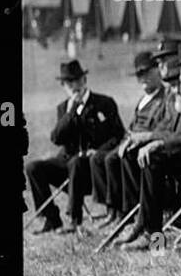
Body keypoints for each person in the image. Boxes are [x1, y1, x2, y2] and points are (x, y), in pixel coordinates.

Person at [121, 39, 181, 250]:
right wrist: (155, 141)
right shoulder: (179, 94)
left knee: (156, 159)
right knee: (148, 159)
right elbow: (171, 131)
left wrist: (158, 143)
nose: (178, 79)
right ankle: (151, 233)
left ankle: (150, 228)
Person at [24, 59, 125, 233]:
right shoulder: (64, 108)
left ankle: (74, 218)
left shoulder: (104, 103)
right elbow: (56, 138)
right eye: (68, 83)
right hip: (67, 165)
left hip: (92, 167)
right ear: (63, 86)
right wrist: (71, 113)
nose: (74, 86)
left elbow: (118, 135)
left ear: (84, 80)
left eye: (77, 80)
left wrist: (98, 151)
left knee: (76, 163)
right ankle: (51, 218)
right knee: (33, 167)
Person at [91, 51, 178, 229]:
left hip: (160, 148)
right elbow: (132, 128)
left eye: (147, 72)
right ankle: (122, 213)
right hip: (145, 145)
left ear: (158, 71)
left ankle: (138, 218)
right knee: (104, 158)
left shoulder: (169, 96)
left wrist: (148, 139)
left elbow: (170, 128)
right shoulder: (142, 100)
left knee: (127, 157)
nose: (143, 78)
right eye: (139, 75)